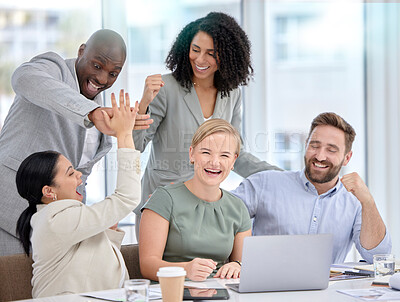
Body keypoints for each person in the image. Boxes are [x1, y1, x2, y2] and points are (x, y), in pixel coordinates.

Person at [0, 29, 151, 256]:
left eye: (113, 73)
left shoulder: (102, 106)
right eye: (97, 66)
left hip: (55, 228)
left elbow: (80, 173)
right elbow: (23, 77)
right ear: (82, 51)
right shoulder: (55, 68)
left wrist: (82, 216)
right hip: (9, 212)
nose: (102, 79)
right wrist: (91, 112)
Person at [133, 12, 280, 234]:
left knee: (202, 269)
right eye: (195, 50)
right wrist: (143, 104)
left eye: (211, 53)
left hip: (203, 206)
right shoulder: (166, 88)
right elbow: (136, 145)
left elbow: (235, 154)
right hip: (160, 205)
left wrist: (281, 176)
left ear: (228, 57)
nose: (200, 60)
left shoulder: (231, 94)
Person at [15, 91, 141, 298]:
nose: (79, 175)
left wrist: (107, 232)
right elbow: (127, 197)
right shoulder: (56, 219)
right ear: (49, 191)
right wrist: (124, 135)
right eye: (70, 173)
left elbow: (88, 265)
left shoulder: (61, 217)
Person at [232, 112, 391, 264]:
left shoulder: (355, 201)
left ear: (347, 158)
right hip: (265, 288)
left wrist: (368, 202)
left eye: (331, 150)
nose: (320, 156)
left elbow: (378, 257)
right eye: (314, 146)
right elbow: (220, 220)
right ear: (306, 145)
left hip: (327, 291)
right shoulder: (264, 183)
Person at [139, 119, 251, 281]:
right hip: (174, 291)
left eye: (224, 155)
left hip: (221, 292)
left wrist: (237, 265)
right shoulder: (164, 199)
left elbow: (243, 263)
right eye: (206, 152)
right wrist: (185, 269)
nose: (214, 162)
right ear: (191, 154)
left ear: (233, 161)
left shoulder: (238, 208)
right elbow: (147, 266)